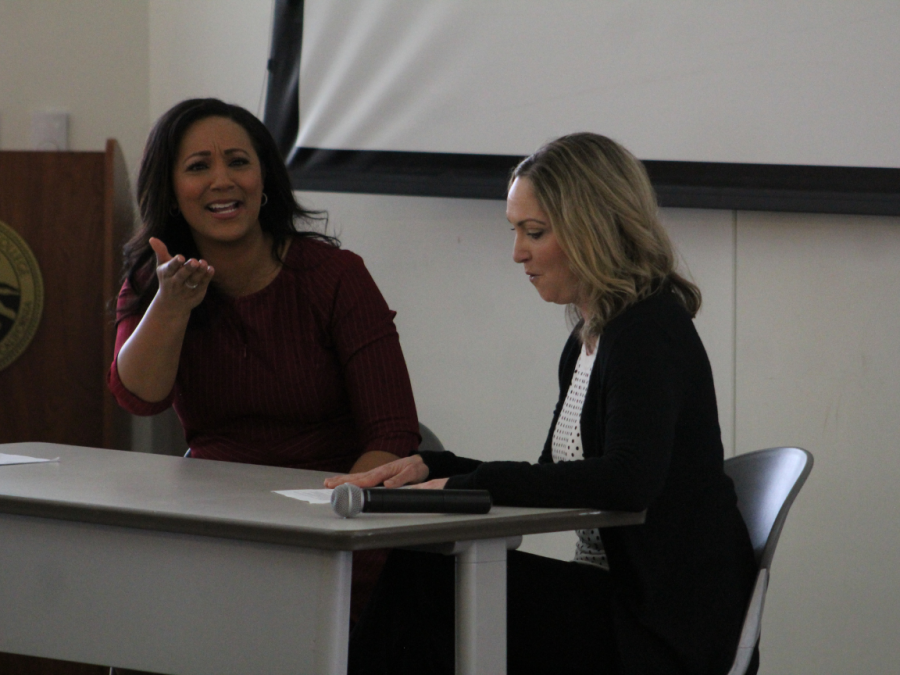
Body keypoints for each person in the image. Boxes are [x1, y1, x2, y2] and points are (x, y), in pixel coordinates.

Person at [325, 133, 758, 674]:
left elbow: (628, 480)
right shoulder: (588, 338)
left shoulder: (649, 329)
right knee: (423, 579)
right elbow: (556, 477)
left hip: (663, 626)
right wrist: (431, 468)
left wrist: (462, 485)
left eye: (534, 232)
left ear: (592, 230)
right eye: (515, 232)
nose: (517, 253)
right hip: (615, 600)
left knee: (422, 585)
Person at [107, 98, 419, 629]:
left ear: (265, 179)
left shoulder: (334, 276)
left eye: (238, 162)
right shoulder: (154, 281)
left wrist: (331, 525)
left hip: (336, 523)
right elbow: (139, 396)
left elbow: (393, 433)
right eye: (198, 167)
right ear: (172, 192)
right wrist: (171, 306)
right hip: (214, 522)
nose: (222, 181)